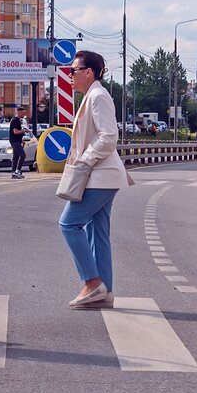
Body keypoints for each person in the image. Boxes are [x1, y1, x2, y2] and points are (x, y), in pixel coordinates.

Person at [58, 50, 131, 309]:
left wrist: (84, 159)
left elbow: (109, 136)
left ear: (88, 72)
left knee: (69, 224)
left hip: (100, 176)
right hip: (104, 177)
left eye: (73, 71)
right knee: (97, 232)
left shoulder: (98, 96)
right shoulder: (93, 95)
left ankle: (91, 283)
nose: (69, 77)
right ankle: (105, 292)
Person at [9, 106, 28, 178]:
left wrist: (22, 140)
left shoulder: (18, 120)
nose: (24, 115)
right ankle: (17, 171)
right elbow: (15, 131)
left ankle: (14, 172)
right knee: (23, 155)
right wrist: (23, 131)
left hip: (17, 141)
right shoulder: (15, 120)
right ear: (19, 113)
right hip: (15, 141)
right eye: (23, 113)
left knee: (15, 157)